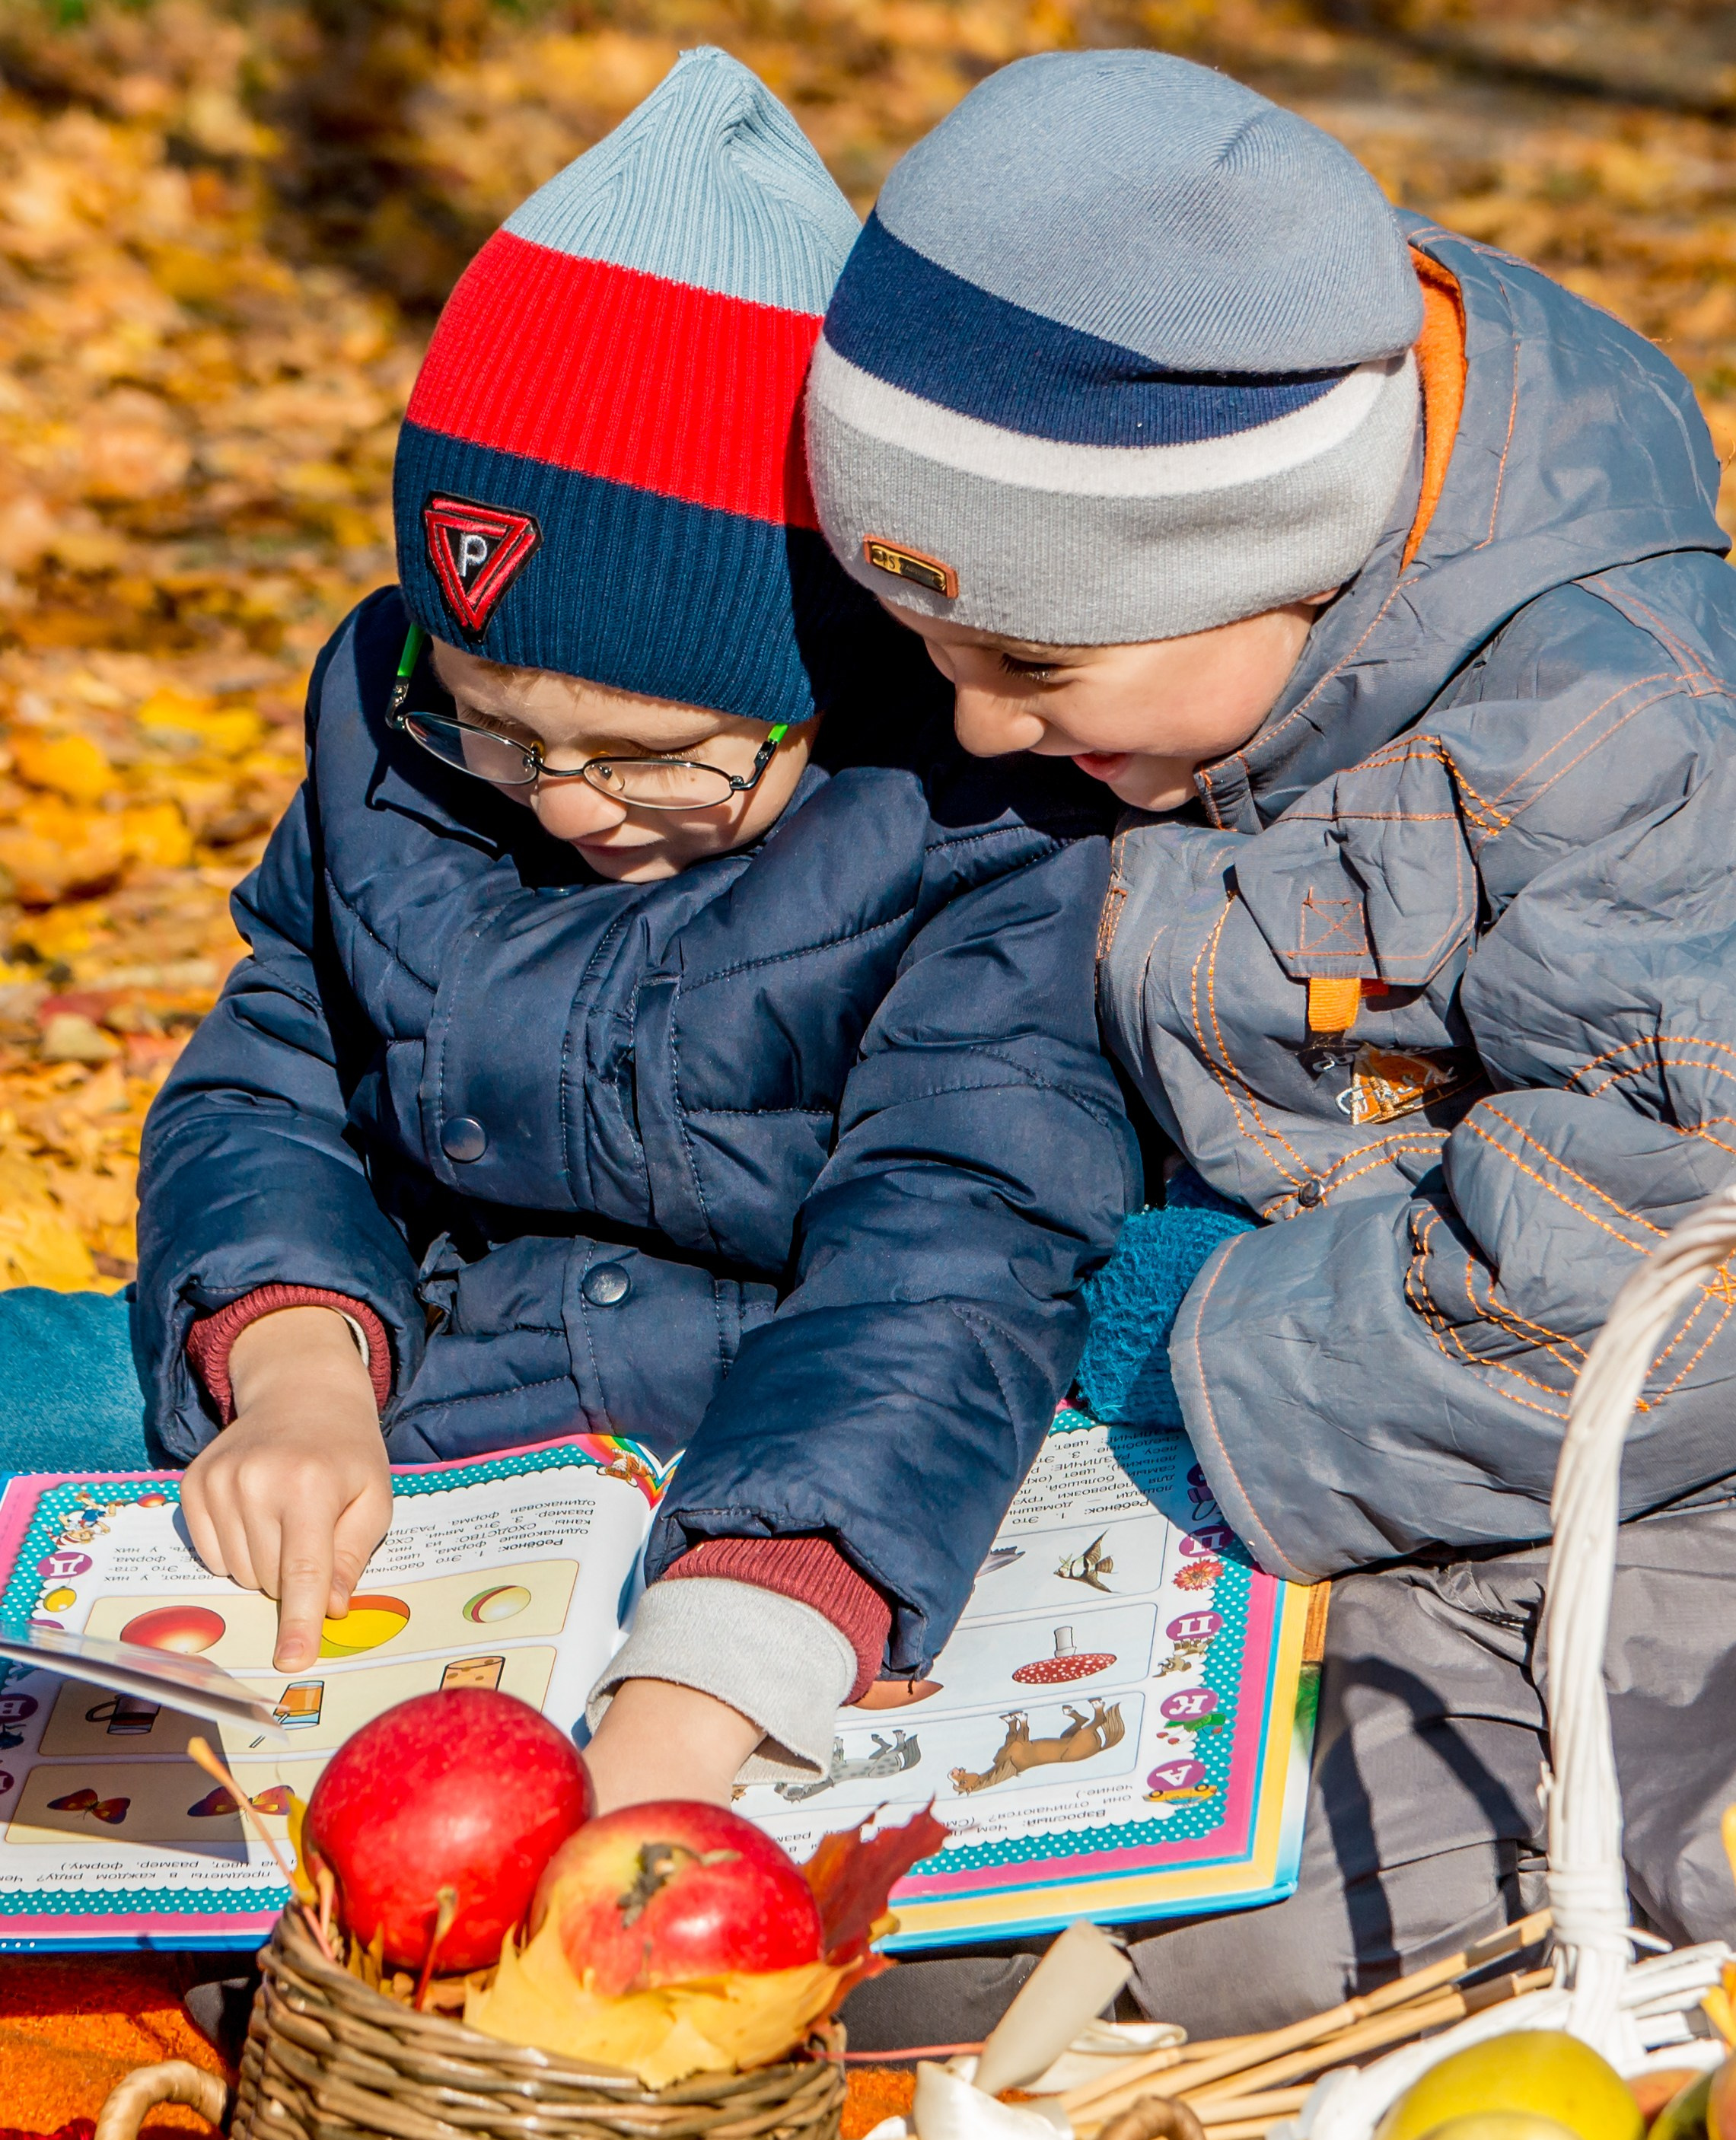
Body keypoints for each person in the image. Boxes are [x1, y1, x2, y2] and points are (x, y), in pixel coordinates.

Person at [804, 47, 1736, 2037]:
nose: (977, 733)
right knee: (921, 1904)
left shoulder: (1618, 740)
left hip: (1633, 1492)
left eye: (1031, 668)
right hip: (1329, 1443)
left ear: (1279, 559)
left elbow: (1656, 1258)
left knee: (1372, 1958)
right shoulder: (1228, 635)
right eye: (938, 661)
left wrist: (1195, 1368)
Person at [118, 49, 1136, 1820]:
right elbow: (270, 1067)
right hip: (431, 1408)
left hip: (792, 1456)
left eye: (658, 758)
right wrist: (289, 1356)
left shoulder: (975, 821)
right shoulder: (396, 731)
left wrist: (734, 1647)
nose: (572, 804)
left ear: (827, 666)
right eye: (496, 730)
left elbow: (950, 1237)